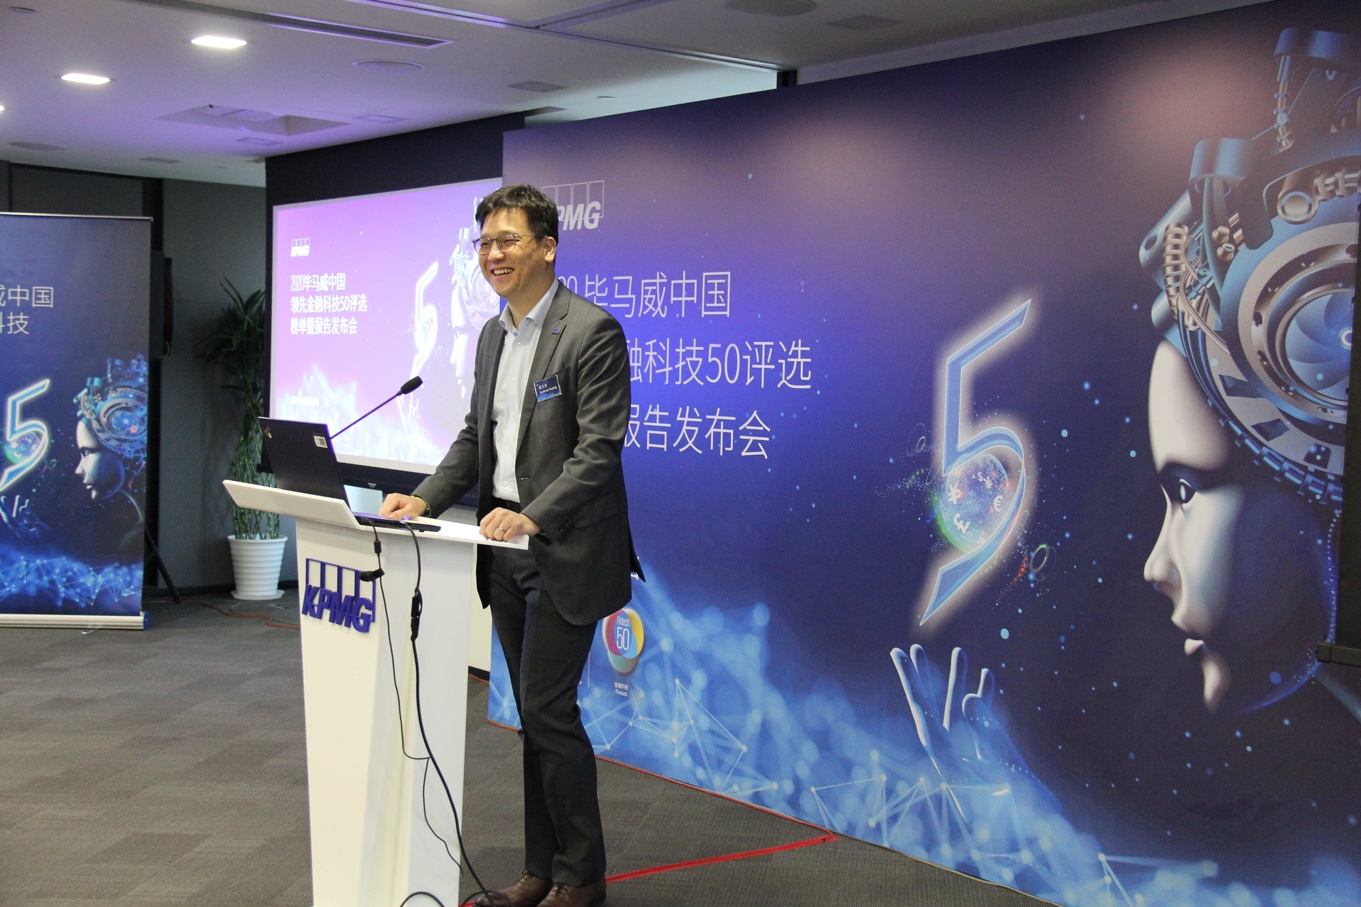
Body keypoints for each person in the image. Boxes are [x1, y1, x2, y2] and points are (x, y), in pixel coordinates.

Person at [380, 184, 641, 907]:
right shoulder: (493, 335)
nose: (493, 254)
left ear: (547, 247)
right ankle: (539, 870)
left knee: (548, 709)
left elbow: (598, 451)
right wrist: (424, 497)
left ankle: (581, 876)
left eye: (508, 241)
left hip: (563, 550)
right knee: (532, 716)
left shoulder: (591, 331)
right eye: (485, 243)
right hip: (501, 557)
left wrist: (531, 516)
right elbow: (477, 439)